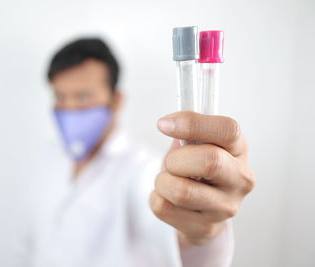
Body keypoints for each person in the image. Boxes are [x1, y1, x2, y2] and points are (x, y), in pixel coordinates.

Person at [24, 38, 255, 267]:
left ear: (116, 101)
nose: (69, 108)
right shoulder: (48, 158)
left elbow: (176, 232)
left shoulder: (144, 170)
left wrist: (201, 232)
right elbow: (32, 244)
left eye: (83, 97)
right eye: (60, 97)